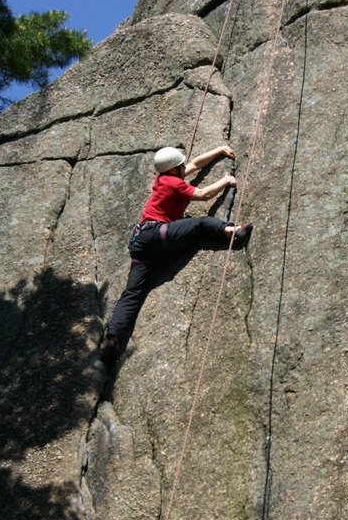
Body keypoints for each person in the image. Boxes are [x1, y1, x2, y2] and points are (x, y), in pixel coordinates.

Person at [101, 144, 252, 365]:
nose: (184, 166)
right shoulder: (174, 183)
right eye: (181, 165)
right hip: (157, 233)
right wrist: (226, 181)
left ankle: (113, 338)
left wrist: (219, 150)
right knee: (200, 224)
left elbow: (195, 164)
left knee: (132, 292)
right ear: (174, 169)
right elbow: (204, 194)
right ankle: (233, 231)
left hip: (141, 243)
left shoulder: (163, 178)